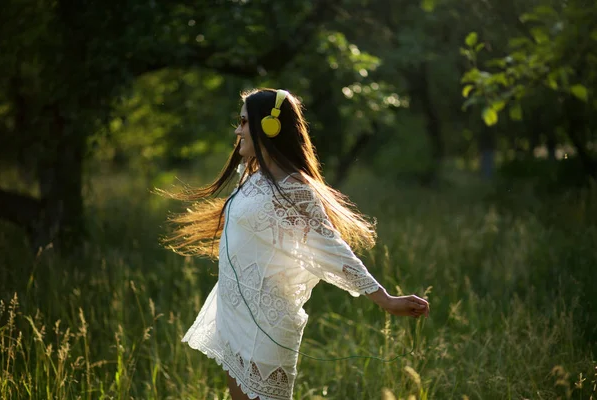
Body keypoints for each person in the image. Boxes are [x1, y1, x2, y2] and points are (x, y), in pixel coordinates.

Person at [166, 88, 430, 400]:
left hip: (267, 324)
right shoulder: (252, 176)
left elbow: (331, 248)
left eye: (244, 122)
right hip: (236, 315)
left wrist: (385, 300)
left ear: (270, 126)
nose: (237, 131)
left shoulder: (296, 190)